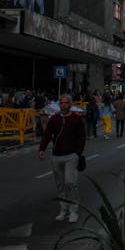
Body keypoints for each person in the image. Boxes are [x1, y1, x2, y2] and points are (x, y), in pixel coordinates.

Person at [38, 94, 86, 223]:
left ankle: (73, 211)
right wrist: (42, 149)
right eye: (61, 103)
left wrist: (78, 152)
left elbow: (82, 136)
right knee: (60, 186)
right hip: (56, 156)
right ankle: (63, 210)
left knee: (70, 183)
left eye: (65, 103)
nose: (63, 105)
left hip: (71, 156)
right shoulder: (54, 119)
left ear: (70, 104)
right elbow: (47, 134)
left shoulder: (76, 119)